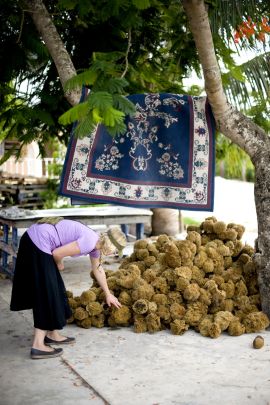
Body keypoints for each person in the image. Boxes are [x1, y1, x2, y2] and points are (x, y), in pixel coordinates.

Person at [10, 218, 127, 360]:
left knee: (57, 291)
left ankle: (52, 334)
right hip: (37, 241)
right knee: (47, 294)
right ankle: (38, 345)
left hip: (39, 240)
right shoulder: (89, 241)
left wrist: (108, 294)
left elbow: (98, 269)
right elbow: (57, 253)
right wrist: (59, 264)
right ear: (110, 244)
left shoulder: (96, 245)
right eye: (116, 250)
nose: (115, 253)